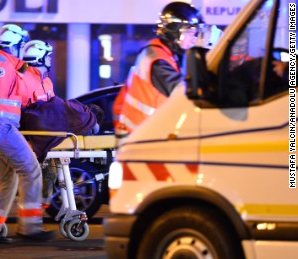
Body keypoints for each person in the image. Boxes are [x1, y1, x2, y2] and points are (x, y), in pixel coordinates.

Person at [0, 24, 56, 243]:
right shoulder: (3, 66)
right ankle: (30, 228)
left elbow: (17, 97)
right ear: (15, 45)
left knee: (7, 178)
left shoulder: (3, 65)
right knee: (31, 170)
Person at [19, 40, 104, 207]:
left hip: (49, 129)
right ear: (39, 59)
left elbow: (54, 110)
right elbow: (28, 113)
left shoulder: (46, 81)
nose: (50, 59)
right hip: (37, 130)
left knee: (83, 110)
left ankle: (43, 200)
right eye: (47, 56)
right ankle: (39, 205)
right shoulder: (24, 81)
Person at [112, 2, 205, 142]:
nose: (194, 38)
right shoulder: (157, 59)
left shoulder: (169, 55)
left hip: (146, 134)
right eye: (190, 32)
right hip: (139, 136)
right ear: (175, 32)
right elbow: (182, 91)